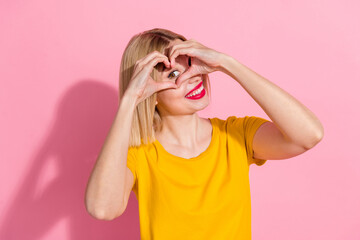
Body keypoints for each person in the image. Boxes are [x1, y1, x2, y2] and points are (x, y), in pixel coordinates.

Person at [85, 28, 324, 239]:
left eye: (191, 64)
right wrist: (130, 100)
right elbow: (102, 208)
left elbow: (309, 134)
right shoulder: (138, 155)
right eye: (173, 75)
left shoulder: (235, 135)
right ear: (151, 93)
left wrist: (227, 63)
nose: (193, 77)